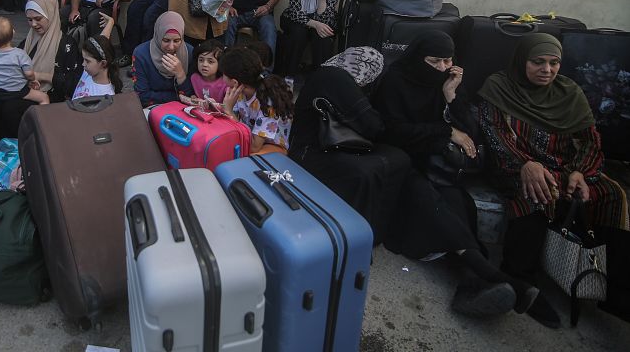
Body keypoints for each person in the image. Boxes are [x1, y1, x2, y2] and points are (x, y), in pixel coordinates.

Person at [373, 31, 539, 318]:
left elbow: (471, 132)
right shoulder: (395, 81)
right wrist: (445, 131)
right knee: (428, 200)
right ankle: (498, 278)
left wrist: (451, 96)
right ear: (418, 58)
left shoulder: (449, 81)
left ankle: (472, 281)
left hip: (436, 164)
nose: (442, 68)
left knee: (458, 204)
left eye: (447, 60)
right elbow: (391, 131)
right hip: (400, 160)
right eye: (434, 61)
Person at [478, 33, 629, 328]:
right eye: (538, 62)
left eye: (554, 63)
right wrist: (525, 163)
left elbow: (590, 141)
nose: (547, 70)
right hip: (514, 165)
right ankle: (520, 280)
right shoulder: (499, 87)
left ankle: (616, 289)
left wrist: (580, 172)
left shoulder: (569, 91)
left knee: (613, 193)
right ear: (522, 60)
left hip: (564, 167)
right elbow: (494, 134)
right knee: (537, 190)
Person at [288, 47, 411, 245]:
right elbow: (372, 125)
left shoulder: (329, 72)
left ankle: (363, 233)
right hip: (310, 151)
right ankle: (356, 234)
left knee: (395, 159)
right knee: (369, 170)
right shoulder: (337, 79)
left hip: (313, 145)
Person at [278, 0, 346, 77]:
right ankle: (289, 76)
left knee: (323, 36)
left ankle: (320, 78)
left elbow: (325, 18)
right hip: (296, 17)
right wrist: (314, 24)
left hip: (322, 18)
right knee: (298, 33)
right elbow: (295, 10)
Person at [0, 16, 47, 139]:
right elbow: (29, 74)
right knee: (43, 97)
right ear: (13, 33)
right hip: (19, 91)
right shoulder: (20, 54)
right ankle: (43, 124)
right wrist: (33, 80)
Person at [220, 46, 294, 154]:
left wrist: (229, 111)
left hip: (272, 147)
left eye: (223, 74)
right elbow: (231, 119)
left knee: (242, 155)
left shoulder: (268, 102)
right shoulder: (239, 91)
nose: (222, 77)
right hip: (250, 137)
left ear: (235, 82)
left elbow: (254, 147)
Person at [22, 0, 83, 103]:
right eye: (30, 20)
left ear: (50, 15)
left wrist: (40, 76)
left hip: (53, 100)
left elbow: (72, 83)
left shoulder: (67, 45)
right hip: (26, 94)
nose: (33, 24)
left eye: (38, 18)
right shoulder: (27, 43)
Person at [132, 11, 194, 107]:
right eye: (166, 40)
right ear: (158, 35)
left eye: (177, 40)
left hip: (183, 108)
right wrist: (177, 97)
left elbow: (191, 95)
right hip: (153, 108)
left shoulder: (189, 52)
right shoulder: (141, 54)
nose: (171, 47)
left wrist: (180, 74)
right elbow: (142, 96)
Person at [72, 15, 122, 100]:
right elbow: (103, 39)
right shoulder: (91, 71)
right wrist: (110, 22)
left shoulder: (106, 97)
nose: (83, 64)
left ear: (103, 63)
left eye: (87, 61)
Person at [190, 39, 227, 103]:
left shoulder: (225, 82)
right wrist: (193, 97)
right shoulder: (194, 78)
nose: (204, 64)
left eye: (210, 61)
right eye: (201, 60)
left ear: (220, 63)